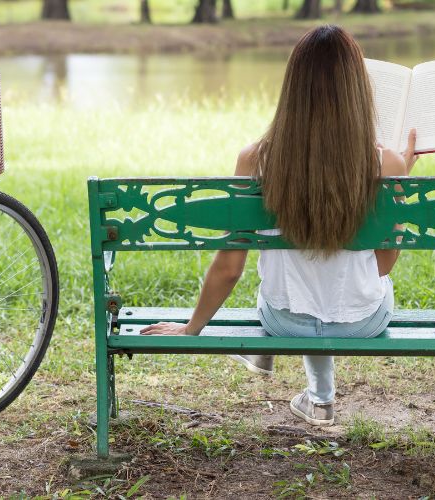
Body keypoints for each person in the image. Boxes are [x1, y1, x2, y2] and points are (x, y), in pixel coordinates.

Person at [141, 25, 418, 426]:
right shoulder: (385, 163)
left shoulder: (254, 159)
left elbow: (229, 268)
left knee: (289, 285)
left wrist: (191, 329)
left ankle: (303, 383)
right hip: (362, 320)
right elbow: (383, 266)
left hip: (283, 318)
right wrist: (398, 179)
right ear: (358, 90)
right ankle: (318, 398)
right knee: (347, 284)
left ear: (293, 88)